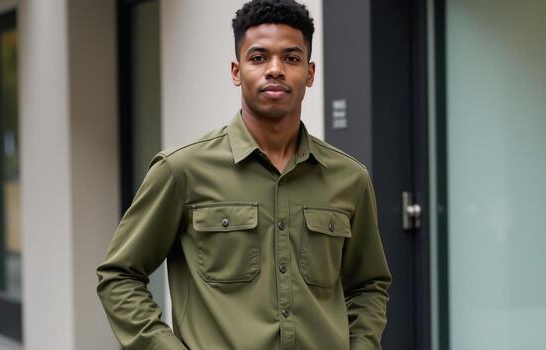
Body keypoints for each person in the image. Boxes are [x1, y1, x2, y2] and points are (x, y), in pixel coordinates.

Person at [96, 0, 391, 348]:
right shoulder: (181, 170)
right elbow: (119, 276)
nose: (275, 70)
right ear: (236, 71)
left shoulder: (349, 178)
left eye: (291, 58)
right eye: (259, 57)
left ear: (310, 73)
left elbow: (368, 286)